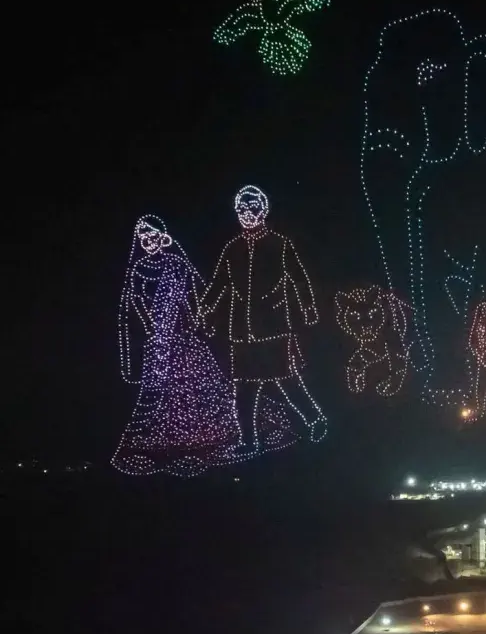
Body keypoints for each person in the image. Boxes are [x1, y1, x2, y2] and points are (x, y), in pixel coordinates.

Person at [112, 215, 240, 476]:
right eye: (144, 239)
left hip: (184, 334)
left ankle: (205, 440)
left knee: (197, 384)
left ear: (163, 238)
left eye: (153, 237)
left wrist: (197, 322)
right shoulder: (138, 270)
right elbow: (137, 303)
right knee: (160, 391)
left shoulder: (176, 264)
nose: (148, 242)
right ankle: (166, 445)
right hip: (159, 340)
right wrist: (153, 329)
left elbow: (192, 296)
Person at [202, 186, 326, 452]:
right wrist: (205, 310)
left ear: (263, 210)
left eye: (253, 209)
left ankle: (315, 419)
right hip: (242, 332)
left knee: (286, 380)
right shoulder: (232, 248)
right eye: (242, 210)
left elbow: (299, 278)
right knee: (245, 389)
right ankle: (248, 441)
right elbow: (219, 284)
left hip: (273, 327)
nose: (247, 215)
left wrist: (308, 308)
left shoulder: (279, 244)